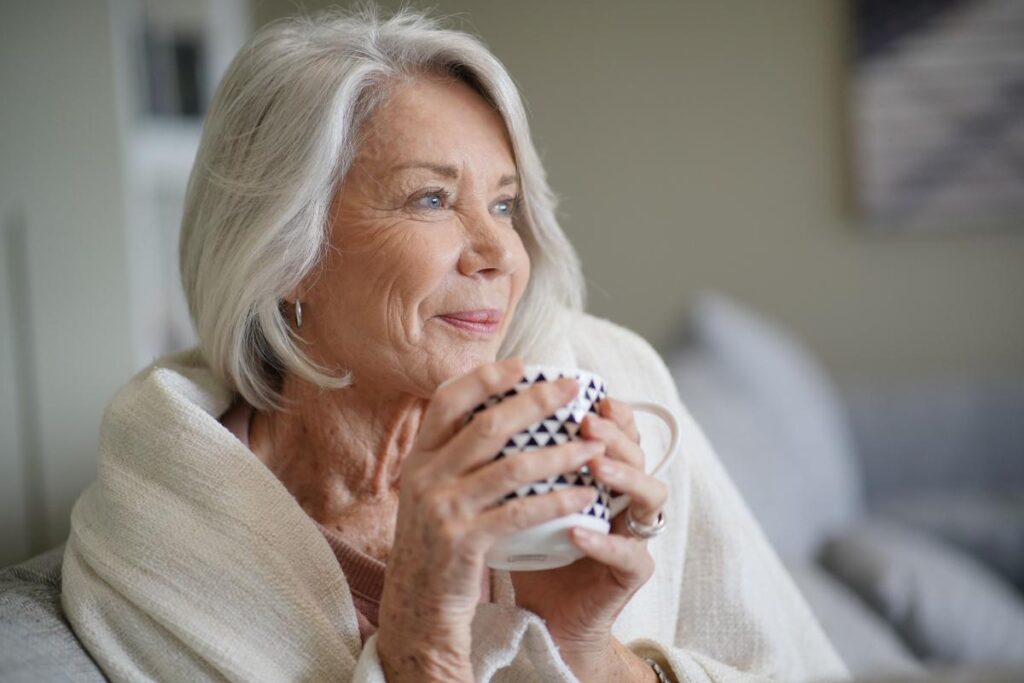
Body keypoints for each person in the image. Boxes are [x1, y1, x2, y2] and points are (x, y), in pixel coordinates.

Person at [61, 5, 851, 682]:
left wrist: (590, 651)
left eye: (504, 206)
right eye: (432, 199)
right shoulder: (158, 527)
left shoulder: (612, 384)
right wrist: (420, 641)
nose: (500, 253)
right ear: (287, 258)